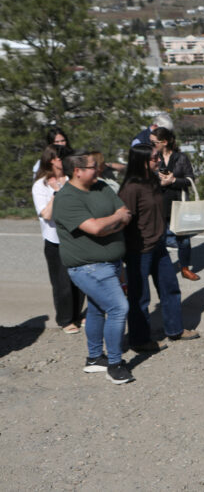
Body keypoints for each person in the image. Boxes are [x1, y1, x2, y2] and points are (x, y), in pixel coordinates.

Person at [52, 151, 135, 384]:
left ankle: (95, 358)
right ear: (77, 171)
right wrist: (113, 222)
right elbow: (95, 228)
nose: (98, 169)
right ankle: (115, 365)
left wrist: (110, 223)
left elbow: (125, 213)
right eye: (92, 167)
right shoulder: (66, 198)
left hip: (112, 263)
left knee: (98, 309)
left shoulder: (102, 187)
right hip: (89, 268)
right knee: (119, 308)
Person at [119, 144, 200, 353]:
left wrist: (168, 181)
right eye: (155, 158)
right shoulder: (131, 187)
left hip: (158, 245)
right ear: (142, 161)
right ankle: (139, 340)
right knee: (140, 297)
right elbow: (124, 220)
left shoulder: (153, 181)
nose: (159, 161)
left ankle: (175, 330)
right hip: (139, 250)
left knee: (170, 288)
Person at [31, 144, 84, 334]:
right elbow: (46, 214)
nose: (66, 161)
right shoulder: (41, 185)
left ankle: (77, 314)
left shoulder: (72, 179)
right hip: (55, 240)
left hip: (76, 237)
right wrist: (57, 193)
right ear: (52, 159)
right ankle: (65, 319)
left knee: (80, 280)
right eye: (62, 158)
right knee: (62, 282)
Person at [151, 127, 200, 280]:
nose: (152, 145)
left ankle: (184, 268)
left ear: (164, 142)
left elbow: (190, 179)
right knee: (158, 237)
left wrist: (173, 181)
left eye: (154, 142)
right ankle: (159, 268)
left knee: (184, 239)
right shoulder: (153, 158)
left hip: (179, 202)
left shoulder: (181, 158)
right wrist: (159, 182)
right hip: (158, 203)